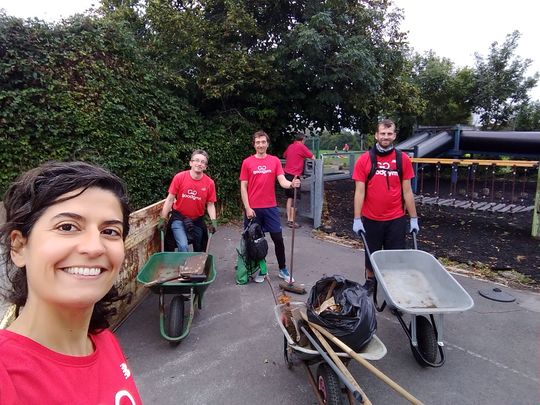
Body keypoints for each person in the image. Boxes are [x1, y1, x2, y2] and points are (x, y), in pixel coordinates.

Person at [0, 161, 141, 404]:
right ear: (19, 246)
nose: (94, 247)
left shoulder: (104, 341)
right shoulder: (6, 374)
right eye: (67, 227)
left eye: (110, 231)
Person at [352, 119, 420, 293]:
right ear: (376, 135)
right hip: (370, 218)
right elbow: (359, 192)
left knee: (395, 257)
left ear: (394, 136)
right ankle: (370, 281)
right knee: (371, 254)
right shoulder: (364, 160)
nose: (386, 137)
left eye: (389, 134)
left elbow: (407, 191)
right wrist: (357, 218)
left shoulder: (402, 159)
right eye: (382, 133)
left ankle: (394, 288)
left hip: (395, 219)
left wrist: (413, 218)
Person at [240, 130, 301, 283]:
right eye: (257, 142)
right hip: (253, 209)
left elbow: (282, 181)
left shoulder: (274, 161)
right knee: (255, 241)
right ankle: (261, 269)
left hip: (270, 208)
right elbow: (243, 187)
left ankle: (283, 269)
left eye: (263, 142)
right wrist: (247, 207)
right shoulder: (247, 162)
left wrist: (291, 184)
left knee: (278, 239)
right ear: (254, 144)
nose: (260, 145)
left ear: (267, 143)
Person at [160, 149, 218, 252]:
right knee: (183, 246)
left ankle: (195, 267)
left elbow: (210, 204)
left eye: (202, 162)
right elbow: (170, 200)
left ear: (205, 167)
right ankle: (183, 267)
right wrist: (163, 219)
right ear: (191, 163)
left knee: (199, 248)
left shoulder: (209, 183)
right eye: (196, 160)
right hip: (179, 218)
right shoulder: (179, 178)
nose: (199, 164)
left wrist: (213, 221)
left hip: (197, 220)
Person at [283, 132, 315, 228]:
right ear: (303, 140)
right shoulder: (301, 147)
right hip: (294, 176)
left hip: (287, 174)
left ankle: (289, 218)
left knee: (289, 197)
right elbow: (312, 157)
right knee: (295, 198)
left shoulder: (290, 146)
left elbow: (285, 155)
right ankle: (291, 221)